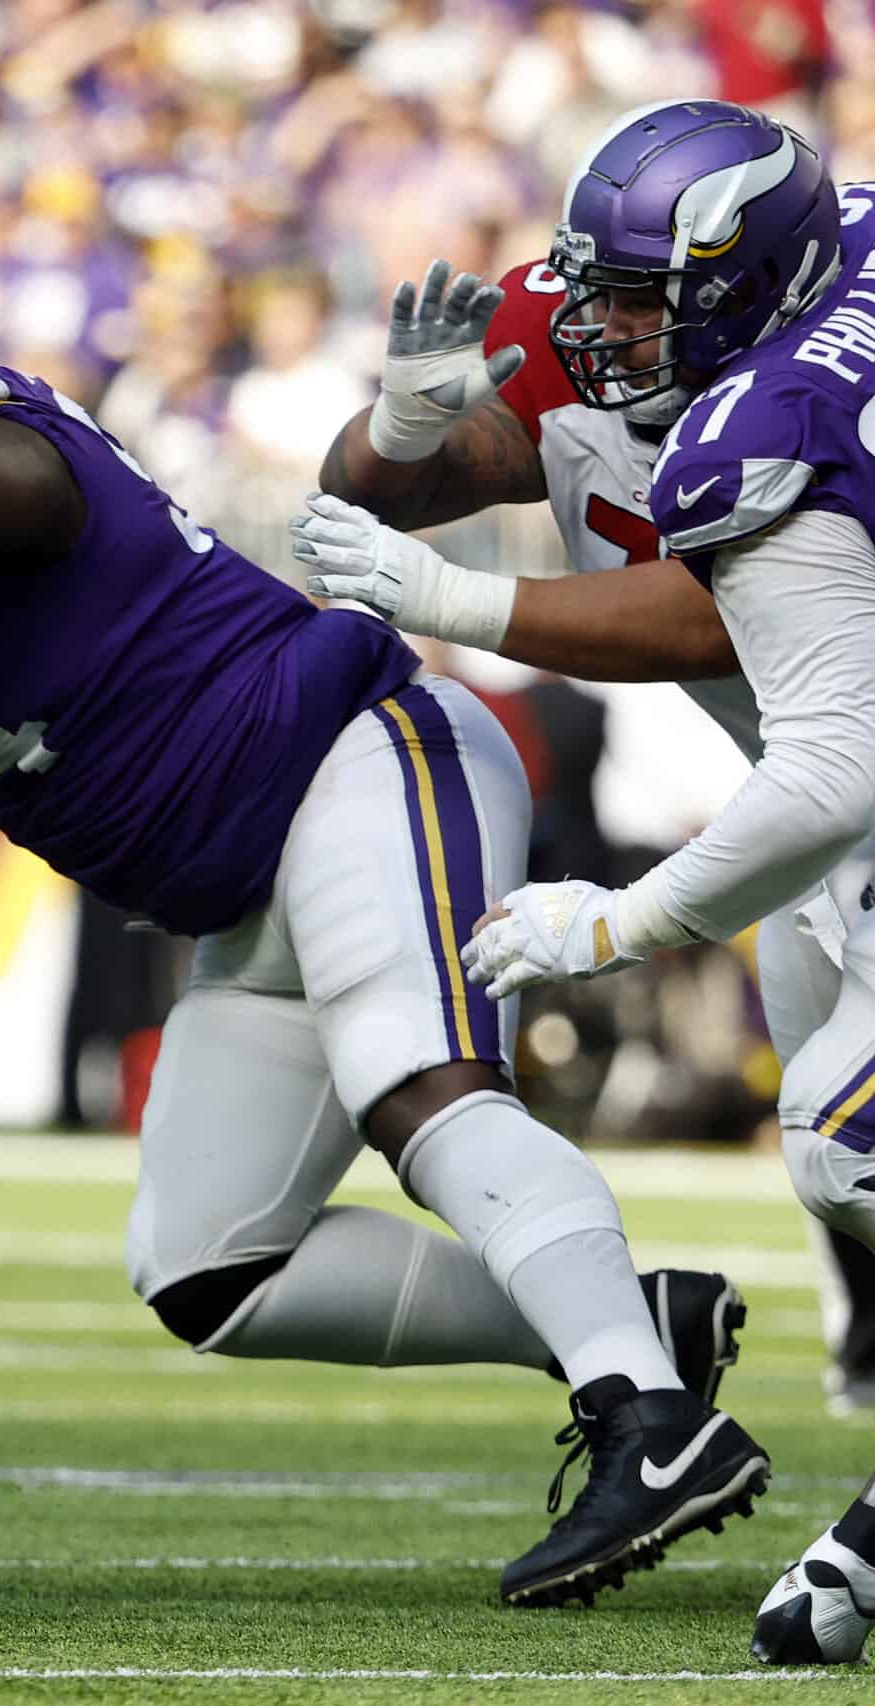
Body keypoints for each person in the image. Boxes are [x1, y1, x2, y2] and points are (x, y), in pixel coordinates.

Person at [0, 205, 765, 1610]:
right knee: (210, 1264)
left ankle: (651, 1428)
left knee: (424, 1089)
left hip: (357, 752)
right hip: (249, 882)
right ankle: (629, 1329)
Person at [283, 102, 875, 1663]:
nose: (596, 334)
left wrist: (619, 918)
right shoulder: (687, 318)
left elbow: (777, 687)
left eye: (636, 307)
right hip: (836, 809)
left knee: (841, 1135)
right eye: (597, 293)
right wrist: (405, 431)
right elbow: (381, 485)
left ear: (749, 287)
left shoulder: (781, 412)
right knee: (830, 1094)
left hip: (843, 768)